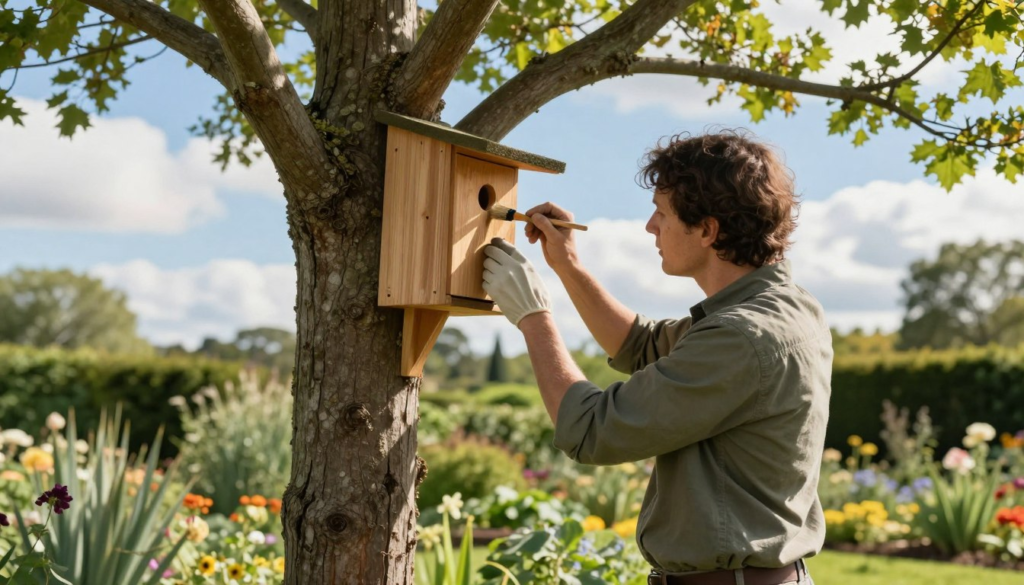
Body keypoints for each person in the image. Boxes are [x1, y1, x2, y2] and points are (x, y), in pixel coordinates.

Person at [481, 131, 832, 585]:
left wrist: (534, 317)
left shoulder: (740, 337)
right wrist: (567, 263)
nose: (650, 226)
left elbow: (593, 430)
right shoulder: (781, 308)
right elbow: (642, 345)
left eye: (662, 213)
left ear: (707, 230)